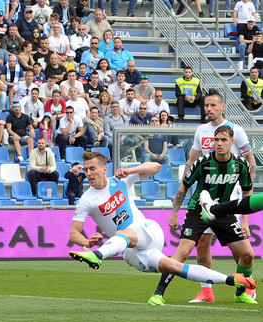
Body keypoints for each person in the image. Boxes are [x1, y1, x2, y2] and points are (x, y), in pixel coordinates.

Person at [68, 152, 256, 299]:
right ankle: (231, 280)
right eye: (86, 170)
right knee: (174, 266)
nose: (89, 173)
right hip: (131, 252)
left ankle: (98, 255)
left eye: (92, 168)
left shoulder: (121, 180)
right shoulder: (87, 200)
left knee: (126, 231)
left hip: (147, 230)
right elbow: (73, 234)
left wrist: (131, 170)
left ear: (104, 169)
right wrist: (87, 241)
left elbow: (156, 167)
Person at [148, 125, 256, 306]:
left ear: (232, 142)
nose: (219, 144)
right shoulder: (203, 162)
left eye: (223, 140)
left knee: (247, 254)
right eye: (216, 140)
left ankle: (240, 292)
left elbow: (247, 192)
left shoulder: (240, 165)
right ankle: (158, 293)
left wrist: (244, 221)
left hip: (223, 211)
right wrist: (174, 214)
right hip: (197, 210)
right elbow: (184, 187)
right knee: (182, 252)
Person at [176, 90, 257, 303]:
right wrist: (183, 186)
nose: (209, 109)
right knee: (202, 243)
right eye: (206, 106)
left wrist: (245, 207)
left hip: (230, 199)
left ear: (222, 107)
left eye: (213, 105)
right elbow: (191, 161)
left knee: (238, 250)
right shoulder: (201, 130)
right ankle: (206, 291)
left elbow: (251, 162)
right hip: (204, 200)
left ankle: (246, 286)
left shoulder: (236, 130)